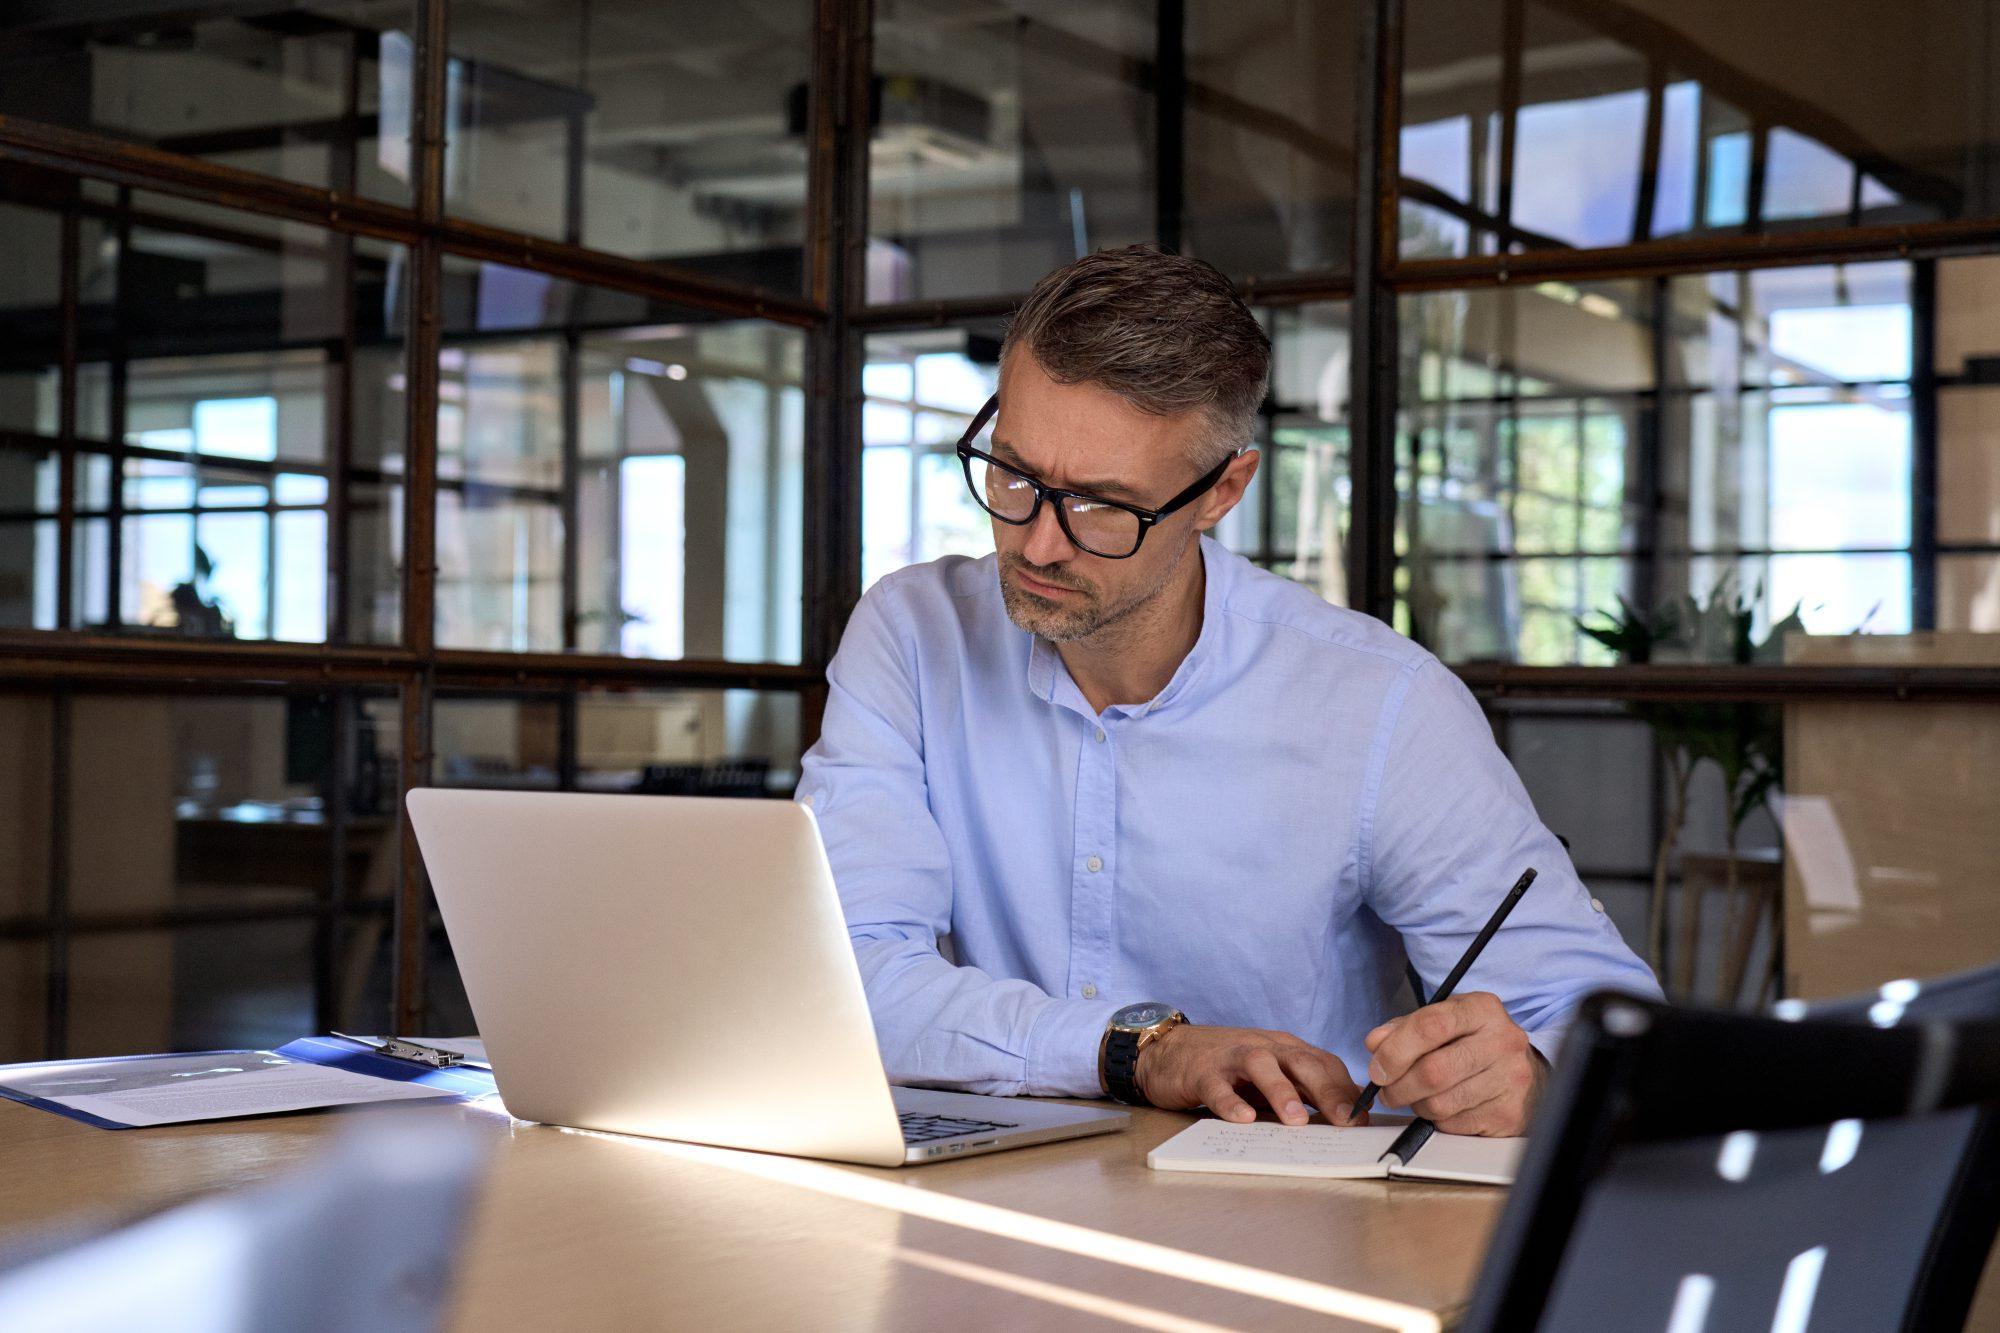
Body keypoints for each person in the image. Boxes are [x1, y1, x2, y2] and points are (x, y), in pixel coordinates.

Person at [796, 245, 1660, 1137]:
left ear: (1223, 491)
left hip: (1291, 1219)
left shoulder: (1379, 704)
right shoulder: (912, 633)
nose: (1040, 544)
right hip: (984, 1202)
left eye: (1101, 505)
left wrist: (1536, 1071)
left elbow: (1608, 1020)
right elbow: (843, 974)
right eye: (1014, 474)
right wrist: (1142, 1050)